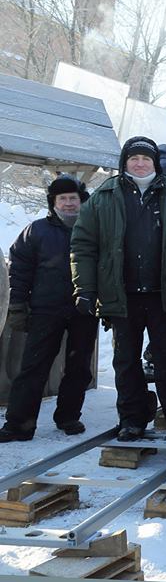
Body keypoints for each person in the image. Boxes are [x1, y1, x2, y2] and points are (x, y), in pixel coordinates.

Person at [71, 136, 166, 444]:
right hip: (121, 295)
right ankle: (132, 419)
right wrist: (85, 288)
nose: (139, 163)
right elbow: (83, 244)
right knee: (125, 362)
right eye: (133, 158)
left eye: (145, 159)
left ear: (154, 164)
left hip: (165, 295)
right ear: (124, 163)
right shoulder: (104, 197)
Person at [0, 176, 97, 442]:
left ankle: (68, 416)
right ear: (53, 203)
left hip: (84, 309)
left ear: (81, 201)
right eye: (62, 199)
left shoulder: (93, 229)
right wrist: (18, 306)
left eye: (72, 198)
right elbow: (18, 271)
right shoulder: (37, 231)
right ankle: (19, 424)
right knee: (34, 366)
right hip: (45, 309)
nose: (68, 203)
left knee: (79, 366)